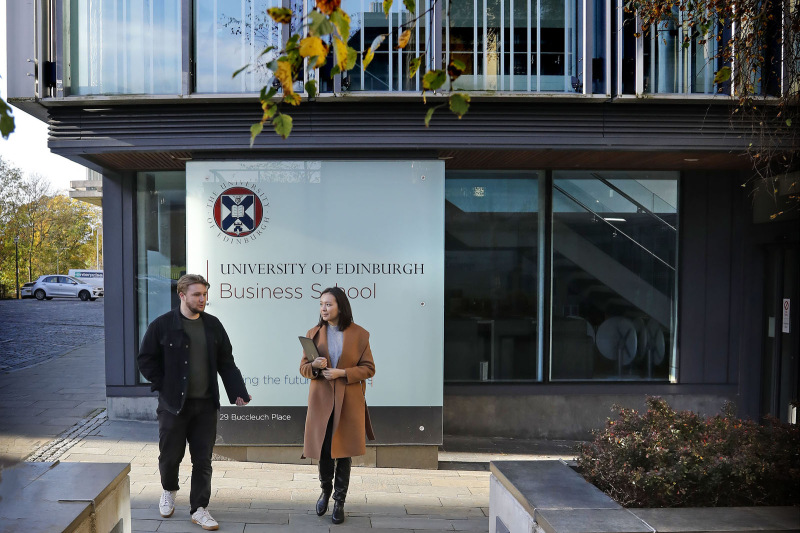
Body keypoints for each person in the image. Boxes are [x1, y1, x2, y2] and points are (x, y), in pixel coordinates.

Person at [137, 274, 251, 531]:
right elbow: (145, 359)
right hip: (173, 406)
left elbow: (226, 362)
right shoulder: (162, 325)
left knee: (203, 459)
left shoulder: (213, 326)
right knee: (170, 456)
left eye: (204, 294)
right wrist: (164, 385)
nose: (202, 299)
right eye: (197, 294)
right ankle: (168, 490)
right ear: (182, 295)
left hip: (206, 406)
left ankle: (199, 508)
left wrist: (237, 391)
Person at [300, 286, 376, 525]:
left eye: (328, 304)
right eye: (321, 304)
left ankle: (339, 501)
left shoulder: (360, 334)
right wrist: (315, 366)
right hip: (322, 400)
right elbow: (303, 369)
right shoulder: (313, 333)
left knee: (343, 453)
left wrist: (343, 372)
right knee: (323, 450)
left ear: (341, 307)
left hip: (348, 400)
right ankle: (325, 490)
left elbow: (369, 368)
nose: (323, 308)